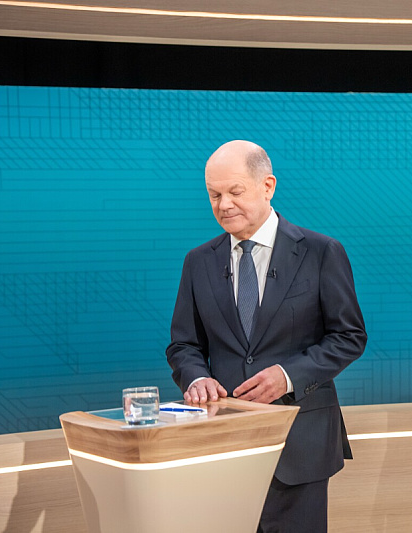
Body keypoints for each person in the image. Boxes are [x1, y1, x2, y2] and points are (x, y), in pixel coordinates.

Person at [166, 140, 367, 533]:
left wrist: (288, 375)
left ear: (268, 185)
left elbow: (349, 336)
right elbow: (183, 344)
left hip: (299, 440)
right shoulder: (198, 262)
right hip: (225, 441)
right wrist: (195, 378)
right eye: (214, 195)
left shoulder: (321, 252)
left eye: (234, 192)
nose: (223, 205)